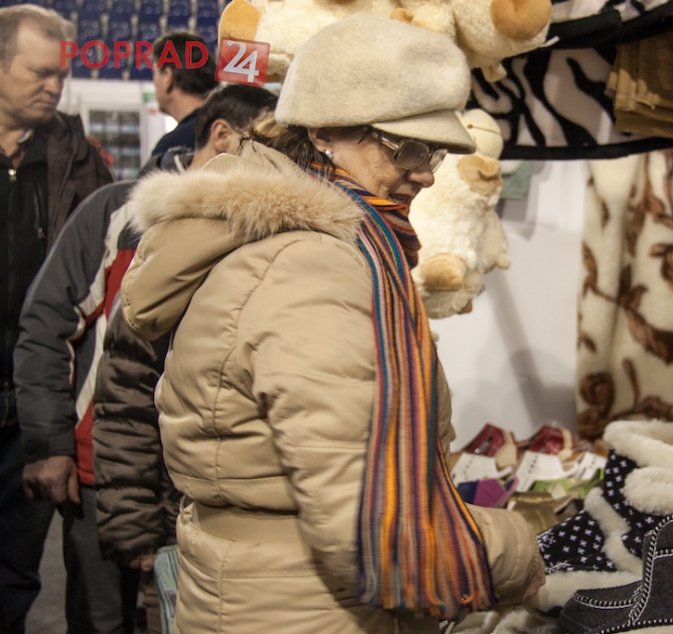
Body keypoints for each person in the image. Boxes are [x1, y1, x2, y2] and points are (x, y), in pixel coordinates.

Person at [119, 14, 544, 633]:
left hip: (273, 594)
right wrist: (518, 548)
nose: (427, 172)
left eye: (434, 151)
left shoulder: (314, 248)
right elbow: (362, 519)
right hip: (307, 606)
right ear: (323, 133)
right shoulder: (312, 266)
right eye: (407, 147)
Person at [92, 84, 278, 634]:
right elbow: (125, 396)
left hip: (222, 527)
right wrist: (133, 524)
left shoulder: (268, 244)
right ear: (224, 138)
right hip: (168, 518)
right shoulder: (175, 245)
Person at [0, 5, 113, 633]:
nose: (53, 86)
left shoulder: (81, 161)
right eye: (38, 73)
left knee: (16, 571)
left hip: (35, 404)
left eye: (60, 75)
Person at [148, 31, 217, 158]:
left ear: (167, 76)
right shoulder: (228, 128)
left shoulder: (172, 147)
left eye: (155, 73)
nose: (154, 83)